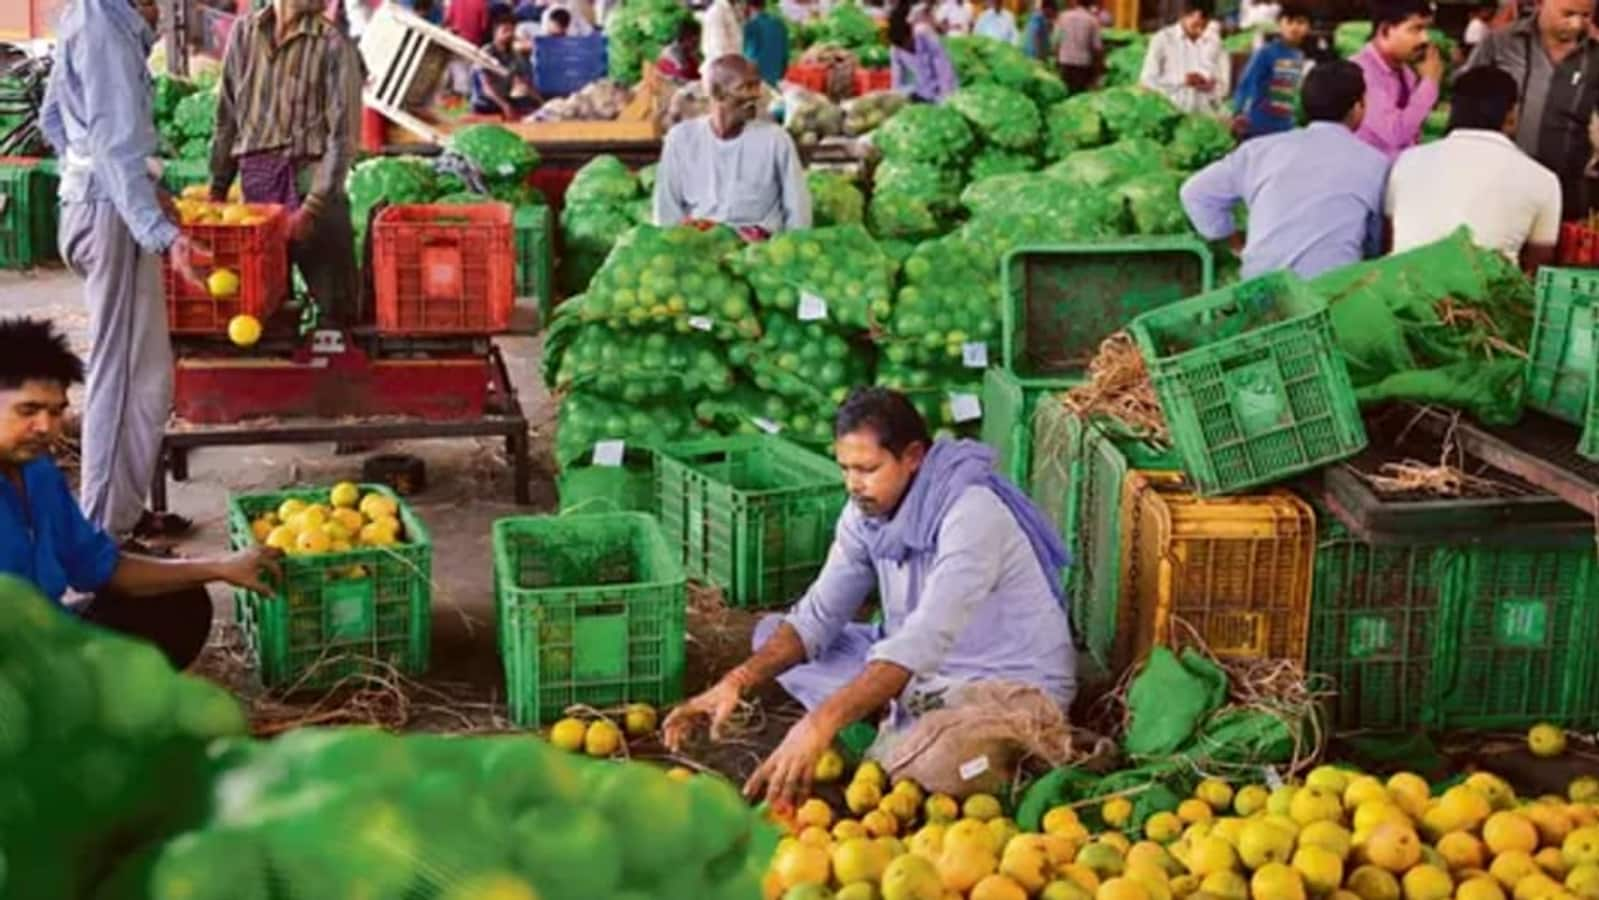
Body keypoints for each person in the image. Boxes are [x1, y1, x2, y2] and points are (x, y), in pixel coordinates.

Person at [662, 388, 1074, 807]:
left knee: (940, 767)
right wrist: (736, 682)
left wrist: (818, 724)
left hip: (1002, 683)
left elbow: (921, 642)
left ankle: (916, 731)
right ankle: (893, 716)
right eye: (845, 469)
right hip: (915, 671)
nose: (853, 485)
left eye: (867, 468)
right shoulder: (866, 512)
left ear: (913, 456)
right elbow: (817, 618)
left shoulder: (971, 514)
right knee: (772, 636)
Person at [0, 319, 281, 670]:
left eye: (55, 412)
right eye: (27, 411)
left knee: (178, 601)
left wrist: (219, 567)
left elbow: (101, 567)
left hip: (49, 642)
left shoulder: (38, 472)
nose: (46, 427)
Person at [38, 0, 209, 541]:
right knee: (128, 379)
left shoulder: (88, 17)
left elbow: (55, 121)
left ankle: (116, 528)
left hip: (99, 207)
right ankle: (102, 542)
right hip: (113, 221)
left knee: (145, 376)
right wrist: (162, 233)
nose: (161, 11)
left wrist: (129, 186)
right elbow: (113, 148)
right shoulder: (104, 28)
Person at [210, 0, 364, 327]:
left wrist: (313, 206)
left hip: (312, 181)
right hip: (258, 188)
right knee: (265, 303)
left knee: (335, 306)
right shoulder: (244, 33)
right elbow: (227, 119)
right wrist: (217, 189)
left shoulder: (333, 44)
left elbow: (343, 138)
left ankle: (340, 368)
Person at [1180, 60, 1390, 279]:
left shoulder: (1259, 151)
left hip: (1262, 292)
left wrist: (1235, 243)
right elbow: (1374, 244)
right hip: (1333, 296)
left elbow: (1194, 193)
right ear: (1358, 107)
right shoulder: (1375, 163)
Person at [1386, 67, 1560, 268]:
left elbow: (1390, 241)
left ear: (1452, 111)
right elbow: (1537, 267)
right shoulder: (1543, 180)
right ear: (1512, 114)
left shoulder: (1407, 162)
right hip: (1484, 297)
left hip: (1401, 292)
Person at [1461, 0, 1599, 221]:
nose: (1575, 24)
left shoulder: (1595, 55)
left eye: (1586, 16)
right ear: (1541, 3)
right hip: (1498, 185)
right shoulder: (1501, 43)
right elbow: (1466, 97)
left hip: (1567, 192)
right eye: (1568, 13)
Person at [654, 55, 812, 237]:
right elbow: (667, 208)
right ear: (717, 93)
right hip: (700, 246)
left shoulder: (775, 139)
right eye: (746, 87)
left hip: (757, 250)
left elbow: (798, 208)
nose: (756, 94)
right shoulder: (681, 139)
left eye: (757, 85)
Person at [1350, 0, 1443, 159]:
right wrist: (1429, 83)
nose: (1425, 39)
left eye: (1427, 29)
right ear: (1385, 30)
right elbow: (1394, 135)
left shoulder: (1406, 72)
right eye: (1416, 29)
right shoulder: (1360, 72)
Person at [1232, 3, 1312, 138]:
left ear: (1308, 28)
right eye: (1289, 21)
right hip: (1257, 125)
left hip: (1283, 125)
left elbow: (1287, 93)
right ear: (1280, 24)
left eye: (1300, 22)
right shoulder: (1265, 52)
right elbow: (1246, 83)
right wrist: (1237, 112)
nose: (1294, 27)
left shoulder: (1298, 55)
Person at [1139, 0, 1230, 114]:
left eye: (1204, 24)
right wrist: (1182, 80)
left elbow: (1223, 90)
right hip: (1169, 115)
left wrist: (1211, 87)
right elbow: (1146, 82)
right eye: (1195, 24)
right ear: (1182, 15)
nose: (1200, 30)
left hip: (1204, 118)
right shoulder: (1163, 40)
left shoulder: (1216, 44)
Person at [472, 8, 541, 117]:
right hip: (485, 103)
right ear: (495, 33)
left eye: (512, 31)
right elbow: (486, 88)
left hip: (504, 100)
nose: (509, 34)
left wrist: (541, 102)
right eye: (505, 31)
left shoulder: (514, 55)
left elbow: (525, 82)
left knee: (529, 106)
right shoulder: (486, 53)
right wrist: (504, 105)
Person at [890, 0, 960, 101]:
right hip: (922, 91)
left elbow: (944, 68)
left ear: (910, 31)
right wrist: (895, 98)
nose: (907, 49)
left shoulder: (924, 34)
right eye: (903, 47)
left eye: (907, 43)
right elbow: (897, 79)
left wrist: (947, 96)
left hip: (941, 90)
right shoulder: (895, 49)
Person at [1055, 0, 1103, 91]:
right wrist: (1098, 71)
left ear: (1075, 2)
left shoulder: (1063, 17)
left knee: (1065, 93)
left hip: (1065, 61)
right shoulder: (1092, 20)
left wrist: (1057, 60)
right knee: (1079, 96)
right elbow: (1097, 49)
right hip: (1083, 64)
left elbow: (1056, 41)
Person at [744, 0, 791, 85]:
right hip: (777, 77)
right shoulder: (779, 23)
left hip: (759, 81)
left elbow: (750, 57)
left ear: (748, 7)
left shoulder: (751, 26)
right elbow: (785, 55)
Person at [703, 0, 746, 80]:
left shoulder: (735, 8)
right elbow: (719, 52)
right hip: (729, 73)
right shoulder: (716, 12)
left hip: (739, 67)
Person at [658, 18, 704, 83]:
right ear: (685, 38)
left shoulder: (688, 54)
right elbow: (685, 79)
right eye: (693, 39)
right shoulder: (672, 55)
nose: (696, 42)